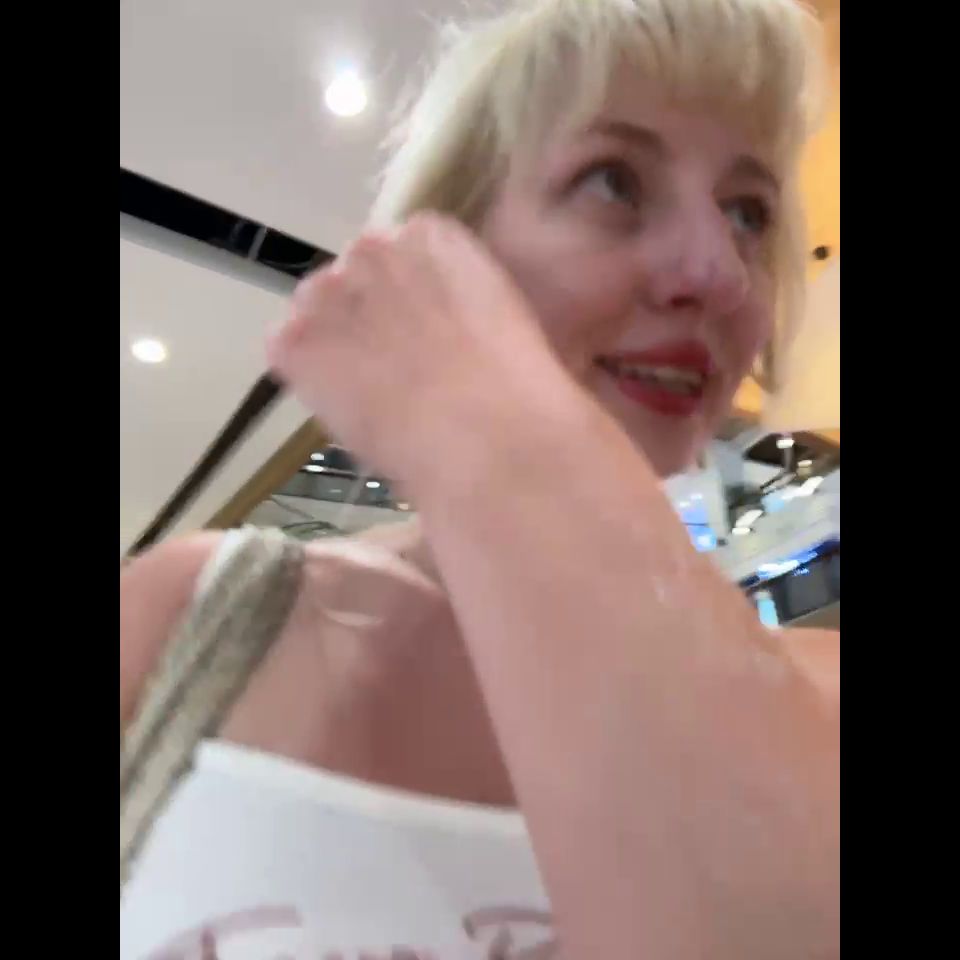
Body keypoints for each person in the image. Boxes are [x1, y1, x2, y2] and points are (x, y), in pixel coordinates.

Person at [120, 1, 839, 957]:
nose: (719, 273)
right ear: (447, 249)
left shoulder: (815, 705)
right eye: (615, 181)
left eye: (748, 212)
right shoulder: (195, 612)